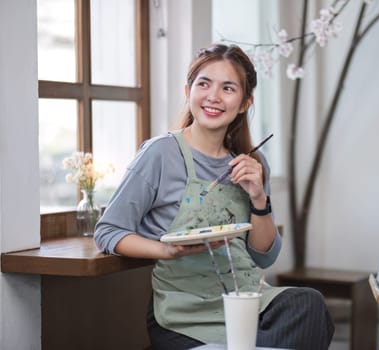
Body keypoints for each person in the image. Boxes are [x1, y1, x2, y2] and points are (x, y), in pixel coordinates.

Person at [94, 43, 334, 350]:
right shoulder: (160, 154)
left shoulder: (252, 164)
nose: (213, 97)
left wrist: (259, 198)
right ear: (188, 90)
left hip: (248, 303)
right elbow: (108, 231)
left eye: (228, 88)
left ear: (246, 102)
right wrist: (166, 251)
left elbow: (264, 256)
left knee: (309, 305)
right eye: (203, 84)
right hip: (184, 316)